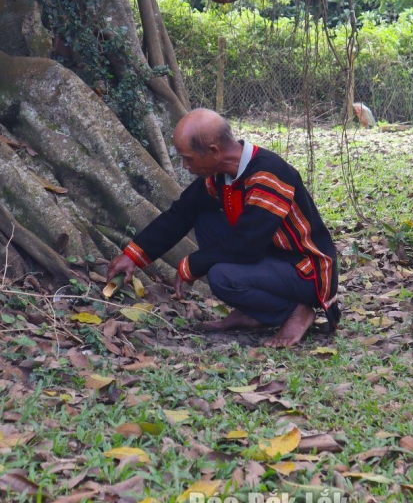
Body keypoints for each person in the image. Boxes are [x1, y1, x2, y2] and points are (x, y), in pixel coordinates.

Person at [106, 108, 340, 348]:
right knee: (205, 220)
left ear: (214, 152)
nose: (185, 166)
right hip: (273, 258)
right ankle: (252, 311)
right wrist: (132, 255)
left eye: (188, 158)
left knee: (221, 276)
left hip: (306, 270)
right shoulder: (221, 175)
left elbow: (248, 246)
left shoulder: (268, 175)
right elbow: (181, 213)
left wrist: (192, 264)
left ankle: (296, 312)